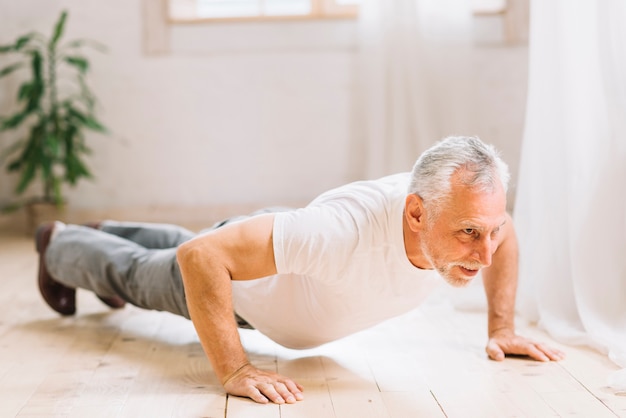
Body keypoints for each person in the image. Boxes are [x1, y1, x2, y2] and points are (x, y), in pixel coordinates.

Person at [35, 136, 565, 405]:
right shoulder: (342, 231)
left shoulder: (467, 211)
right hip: (237, 288)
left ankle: (107, 228)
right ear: (417, 213)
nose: (486, 250)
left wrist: (501, 327)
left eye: (488, 230)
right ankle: (62, 245)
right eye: (470, 234)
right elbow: (202, 260)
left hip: (265, 246)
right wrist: (235, 370)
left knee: (197, 240)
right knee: (138, 275)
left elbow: (506, 228)